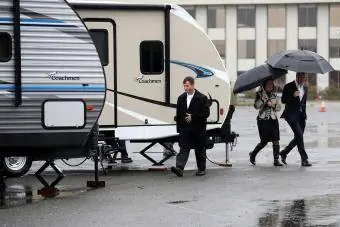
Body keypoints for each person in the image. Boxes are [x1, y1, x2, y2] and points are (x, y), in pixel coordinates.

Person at [170, 76, 210, 177]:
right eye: (184, 86)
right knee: (183, 148)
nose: (185, 88)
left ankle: (201, 169)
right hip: (185, 129)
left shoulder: (202, 98)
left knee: (200, 149)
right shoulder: (181, 98)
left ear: (192, 85)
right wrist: (178, 124)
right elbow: (179, 113)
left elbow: (206, 113)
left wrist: (193, 116)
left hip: (198, 129)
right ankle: (179, 168)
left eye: (187, 86)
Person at [279, 72, 312, 167]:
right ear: (297, 77)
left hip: (301, 116)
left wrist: (304, 115)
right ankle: (304, 159)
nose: (302, 79)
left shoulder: (305, 88)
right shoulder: (289, 86)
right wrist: (293, 95)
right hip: (291, 115)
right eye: (300, 77)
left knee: (298, 137)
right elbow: (283, 100)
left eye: (304, 78)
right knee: (300, 135)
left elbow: (303, 103)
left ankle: (284, 153)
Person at [249, 78, 283, 166]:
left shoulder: (275, 95)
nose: (270, 86)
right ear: (264, 85)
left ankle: (276, 160)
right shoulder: (259, 94)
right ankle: (253, 154)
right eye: (268, 84)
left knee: (276, 140)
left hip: (273, 120)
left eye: (271, 84)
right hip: (263, 120)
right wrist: (263, 100)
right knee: (264, 142)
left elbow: (279, 108)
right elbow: (256, 106)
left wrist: (273, 105)